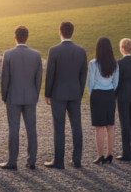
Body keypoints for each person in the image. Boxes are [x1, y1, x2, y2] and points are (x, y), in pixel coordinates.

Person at [44, 21, 88, 169]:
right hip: (75, 93)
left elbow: (50, 74)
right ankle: (77, 160)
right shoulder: (81, 51)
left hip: (58, 94)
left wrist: (47, 94)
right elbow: (83, 74)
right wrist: (79, 92)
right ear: (72, 33)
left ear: (60, 32)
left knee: (59, 127)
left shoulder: (54, 50)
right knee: (77, 126)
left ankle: (58, 161)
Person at [0, 25, 43, 171]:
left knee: (14, 129)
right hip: (30, 96)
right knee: (31, 129)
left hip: (13, 97)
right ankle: (32, 161)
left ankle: (12, 161)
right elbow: (38, 78)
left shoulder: (8, 54)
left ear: (15, 36)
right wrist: (35, 95)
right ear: (27, 37)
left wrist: (4, 96)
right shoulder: (36, 55)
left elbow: (5, 77)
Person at [88, 37, 119, 164]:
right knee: (110, 126)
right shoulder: (115, 63)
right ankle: (109, 155)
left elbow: (90, 82)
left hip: (97, 95)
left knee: (99, 127)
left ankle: (100, 155)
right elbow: (116, 82)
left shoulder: (93, 63)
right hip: (110, 94)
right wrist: (110, 91)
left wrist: (92, 95)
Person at [115, 39, 131, 161]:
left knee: (124, 123)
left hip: (123, 95)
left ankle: (126, 153)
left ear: (122, 48)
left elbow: (117, 82)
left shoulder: (118, 63)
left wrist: (115, 94)